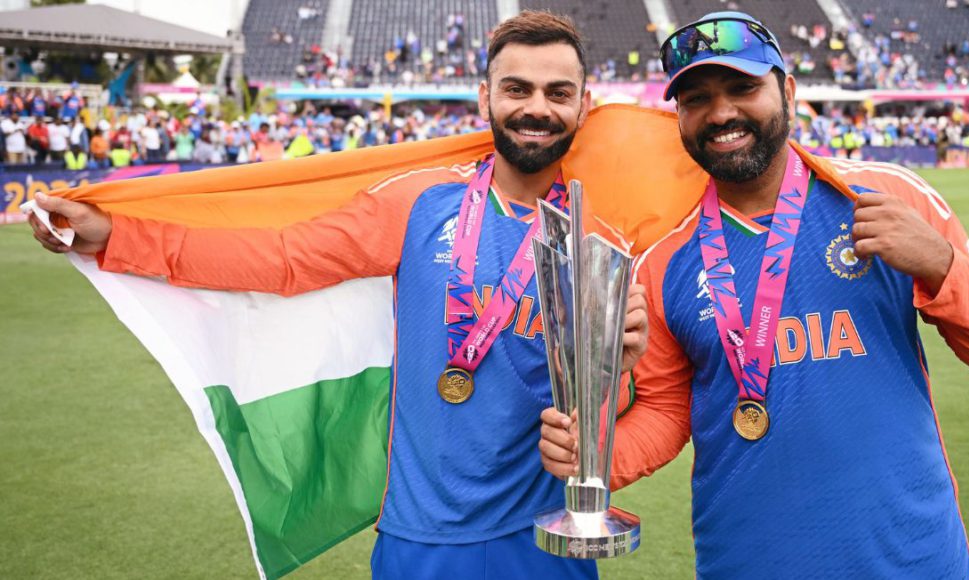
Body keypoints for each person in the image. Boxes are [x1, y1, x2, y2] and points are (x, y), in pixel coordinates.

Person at [28, 11, 647, 580]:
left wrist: (614, 372)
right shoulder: (421, 202)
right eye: (517, 88)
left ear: (583, 105)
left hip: (547, 538)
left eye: (558, 93)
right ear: (485, 97)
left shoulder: (600, 243)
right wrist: (119, 234)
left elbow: (618, 403)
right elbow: (283, 259)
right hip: (419, 539)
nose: (537, 108)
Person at [538, 11, 969, 579]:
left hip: (913, 560)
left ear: (789, 93)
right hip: (748, 563)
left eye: (743, 87)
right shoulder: (662, 262)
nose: (721, 113)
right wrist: (592, 456)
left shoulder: (887, 197)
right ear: (679, 118)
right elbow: (666, 412)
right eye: (697, 99)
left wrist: (941, 265)